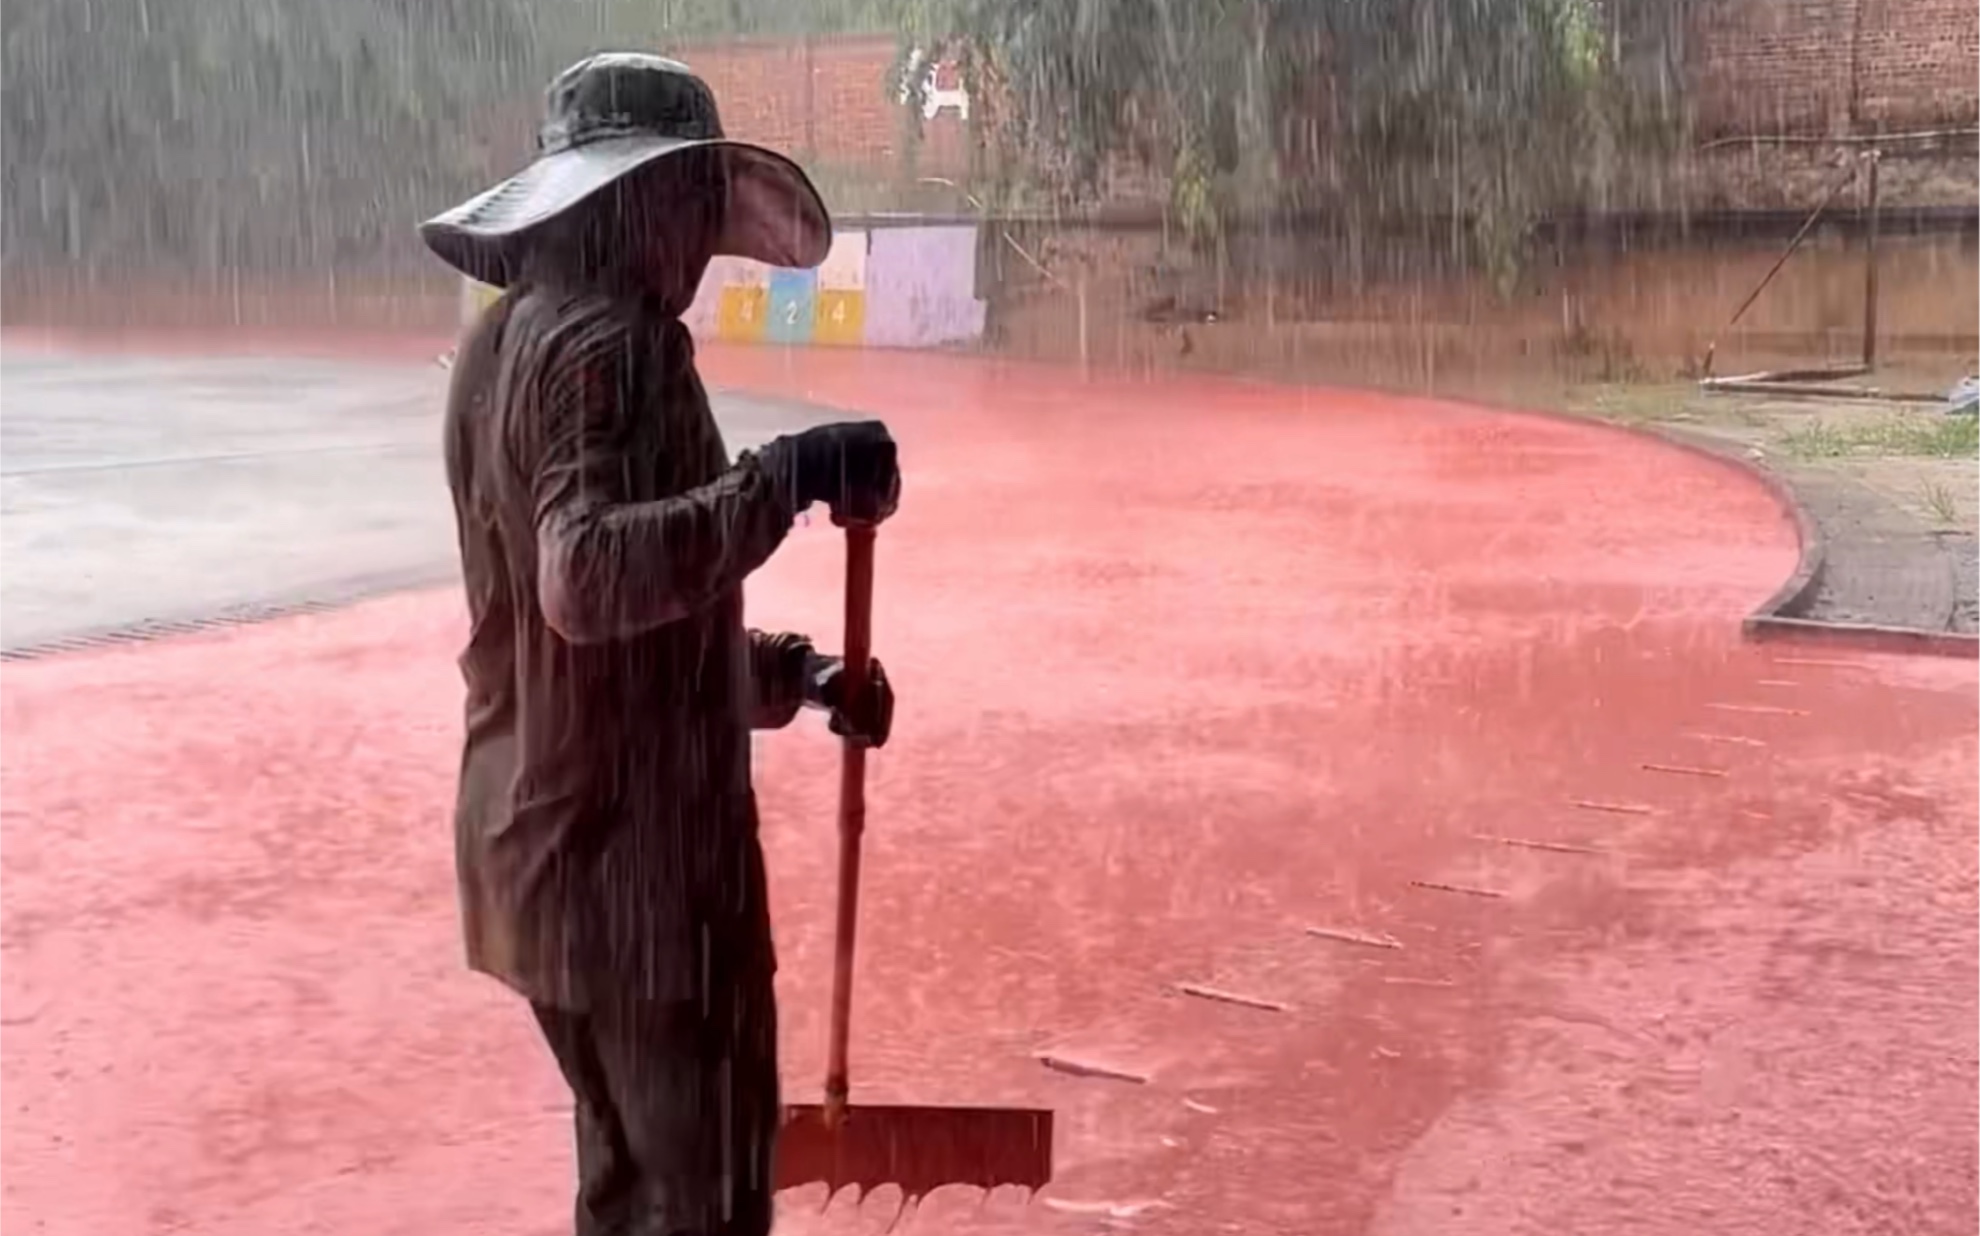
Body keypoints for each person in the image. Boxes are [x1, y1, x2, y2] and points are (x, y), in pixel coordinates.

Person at [419, 52, 901, 1236]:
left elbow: (609, 644)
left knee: (631, 1191)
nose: (699, 236)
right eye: (688, 202)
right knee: (707, 1207)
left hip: (543, 865)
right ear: (626, 202)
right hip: (642, 880)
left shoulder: (500, 349)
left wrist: (796, 675)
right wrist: (781, 481)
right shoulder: (611, 345)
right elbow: (588, 581)